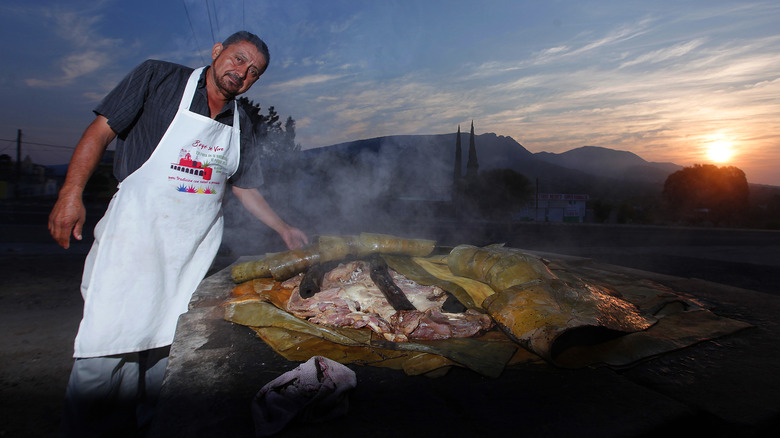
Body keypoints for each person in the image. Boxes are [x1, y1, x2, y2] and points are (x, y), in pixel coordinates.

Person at [48, 30, 308, 436]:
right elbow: (100, 131)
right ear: (217, 52)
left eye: (253, 71)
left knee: (170, 366)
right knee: (106, 356)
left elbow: (243, 186)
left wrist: (284, 228)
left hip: (189, 259)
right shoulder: (157, 79)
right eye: (238, 59)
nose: (242, 72)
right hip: (131, 246)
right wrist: (70, 194)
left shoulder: (242, 122)